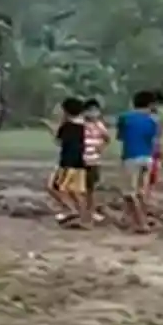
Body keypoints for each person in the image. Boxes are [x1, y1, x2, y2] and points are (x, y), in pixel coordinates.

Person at [116, 90, 161, 233]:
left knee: (129, 193)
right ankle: (138, 219)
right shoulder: (153, 121)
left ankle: (140, 223)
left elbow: (120, 136)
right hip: (147, 158)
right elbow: (154, 141)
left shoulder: (125, 118)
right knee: (142, 192)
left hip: (131, 156)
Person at [48, 96, 90, 228]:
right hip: (80, 163)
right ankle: (84, 219)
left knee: (54, 187)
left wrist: (53, 127)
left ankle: (71, 210)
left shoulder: (67, 126)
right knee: (76, 192)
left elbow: (58, 140)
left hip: (67, 163)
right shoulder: (82, 126)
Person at [81, 98, 110, 222]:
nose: (93, 113)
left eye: (95, 110)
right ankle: (81, 211)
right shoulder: (81, 124)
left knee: (91, 189)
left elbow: (107, 138)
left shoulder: (99, 125)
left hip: (94, 160)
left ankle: (91, 211)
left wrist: (101, 147)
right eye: (90, 110)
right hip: (80, 160)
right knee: (79, 188)